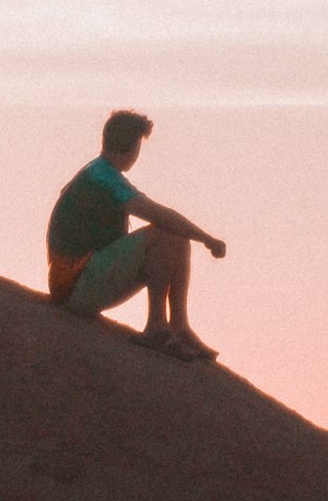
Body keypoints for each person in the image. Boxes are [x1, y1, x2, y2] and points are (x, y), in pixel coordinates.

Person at [44, 108, 226, 359]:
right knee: (165, 232)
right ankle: (156, 326)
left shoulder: (101, 172)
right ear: (131, 147)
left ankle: (179, 326)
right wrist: (207, 239)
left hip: (85, 279)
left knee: (177, 236)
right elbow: (159, 215)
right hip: (74, 285)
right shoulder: (103, 177)